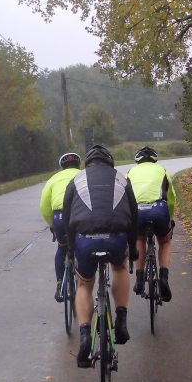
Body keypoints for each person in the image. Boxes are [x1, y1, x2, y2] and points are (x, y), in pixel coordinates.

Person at [62, 144, 138, 368]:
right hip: (116, 238)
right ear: (110, 162)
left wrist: (70, 250)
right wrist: (132, 248)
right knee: (119, 268)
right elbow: (134, 217)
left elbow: (67, 218)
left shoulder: (76, 180)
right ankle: (121, 321)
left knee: (84, 284)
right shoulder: (122, 178)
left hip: (85, 240)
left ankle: (85, 335)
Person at [127, 145, 176, 302]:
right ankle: (163, 277)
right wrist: (170, 218)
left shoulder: (131, 172)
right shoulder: (162, 170)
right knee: (165, 241)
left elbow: (125, 198)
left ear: (137, 160)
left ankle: (140, 278)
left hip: (138, 212)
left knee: (139, 239)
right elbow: (172, 197)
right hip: (159, 209)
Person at [39, 151, 81, 302]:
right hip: (78, 214)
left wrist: (51, 225)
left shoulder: (53, 179)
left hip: (59, 216)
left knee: (62, 247)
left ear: (61, 166)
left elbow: (44, 207)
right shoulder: (83, 175)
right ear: (79, 164)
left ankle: (59, 285)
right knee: (81, 246)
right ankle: (83, 281)